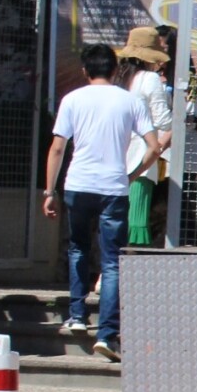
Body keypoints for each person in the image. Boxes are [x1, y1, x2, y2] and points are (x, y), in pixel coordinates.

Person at [44, 42, 152, 361]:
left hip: (78, 184)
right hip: (113, 188)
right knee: (111, 260)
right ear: (115, 70)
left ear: (85, 71)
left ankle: (77, 315)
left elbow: (57, 147)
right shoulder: (129, 101)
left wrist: (49, 191)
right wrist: (132, 175)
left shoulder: (72, 99)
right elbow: (154, 145)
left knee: (78, 247)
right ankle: (107, 333)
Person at [116, 25, 173, 246]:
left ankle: (107, 272)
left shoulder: (118, 78)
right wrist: (178, 121)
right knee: (137, 219)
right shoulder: (149, 79)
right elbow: (162, 120)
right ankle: (128, 273)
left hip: (115, 156)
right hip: (141, 157)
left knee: (116, 218)